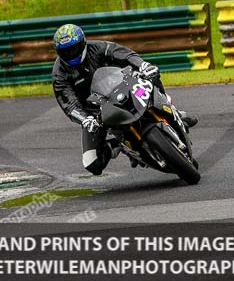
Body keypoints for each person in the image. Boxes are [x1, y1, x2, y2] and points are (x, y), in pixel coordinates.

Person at [51, 23, 197, 175]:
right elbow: (68, 104)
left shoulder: (98, 47)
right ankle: (116, 144)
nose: (71, 54)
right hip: (96, 113)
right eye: (65, 51)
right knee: (92, 164)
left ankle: (170, 109)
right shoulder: (59, 74)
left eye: (74, 48)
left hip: (123, 89)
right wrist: (85, 120)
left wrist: (143, 65)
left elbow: (124, 54)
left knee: (152, 75)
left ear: (83, 43)